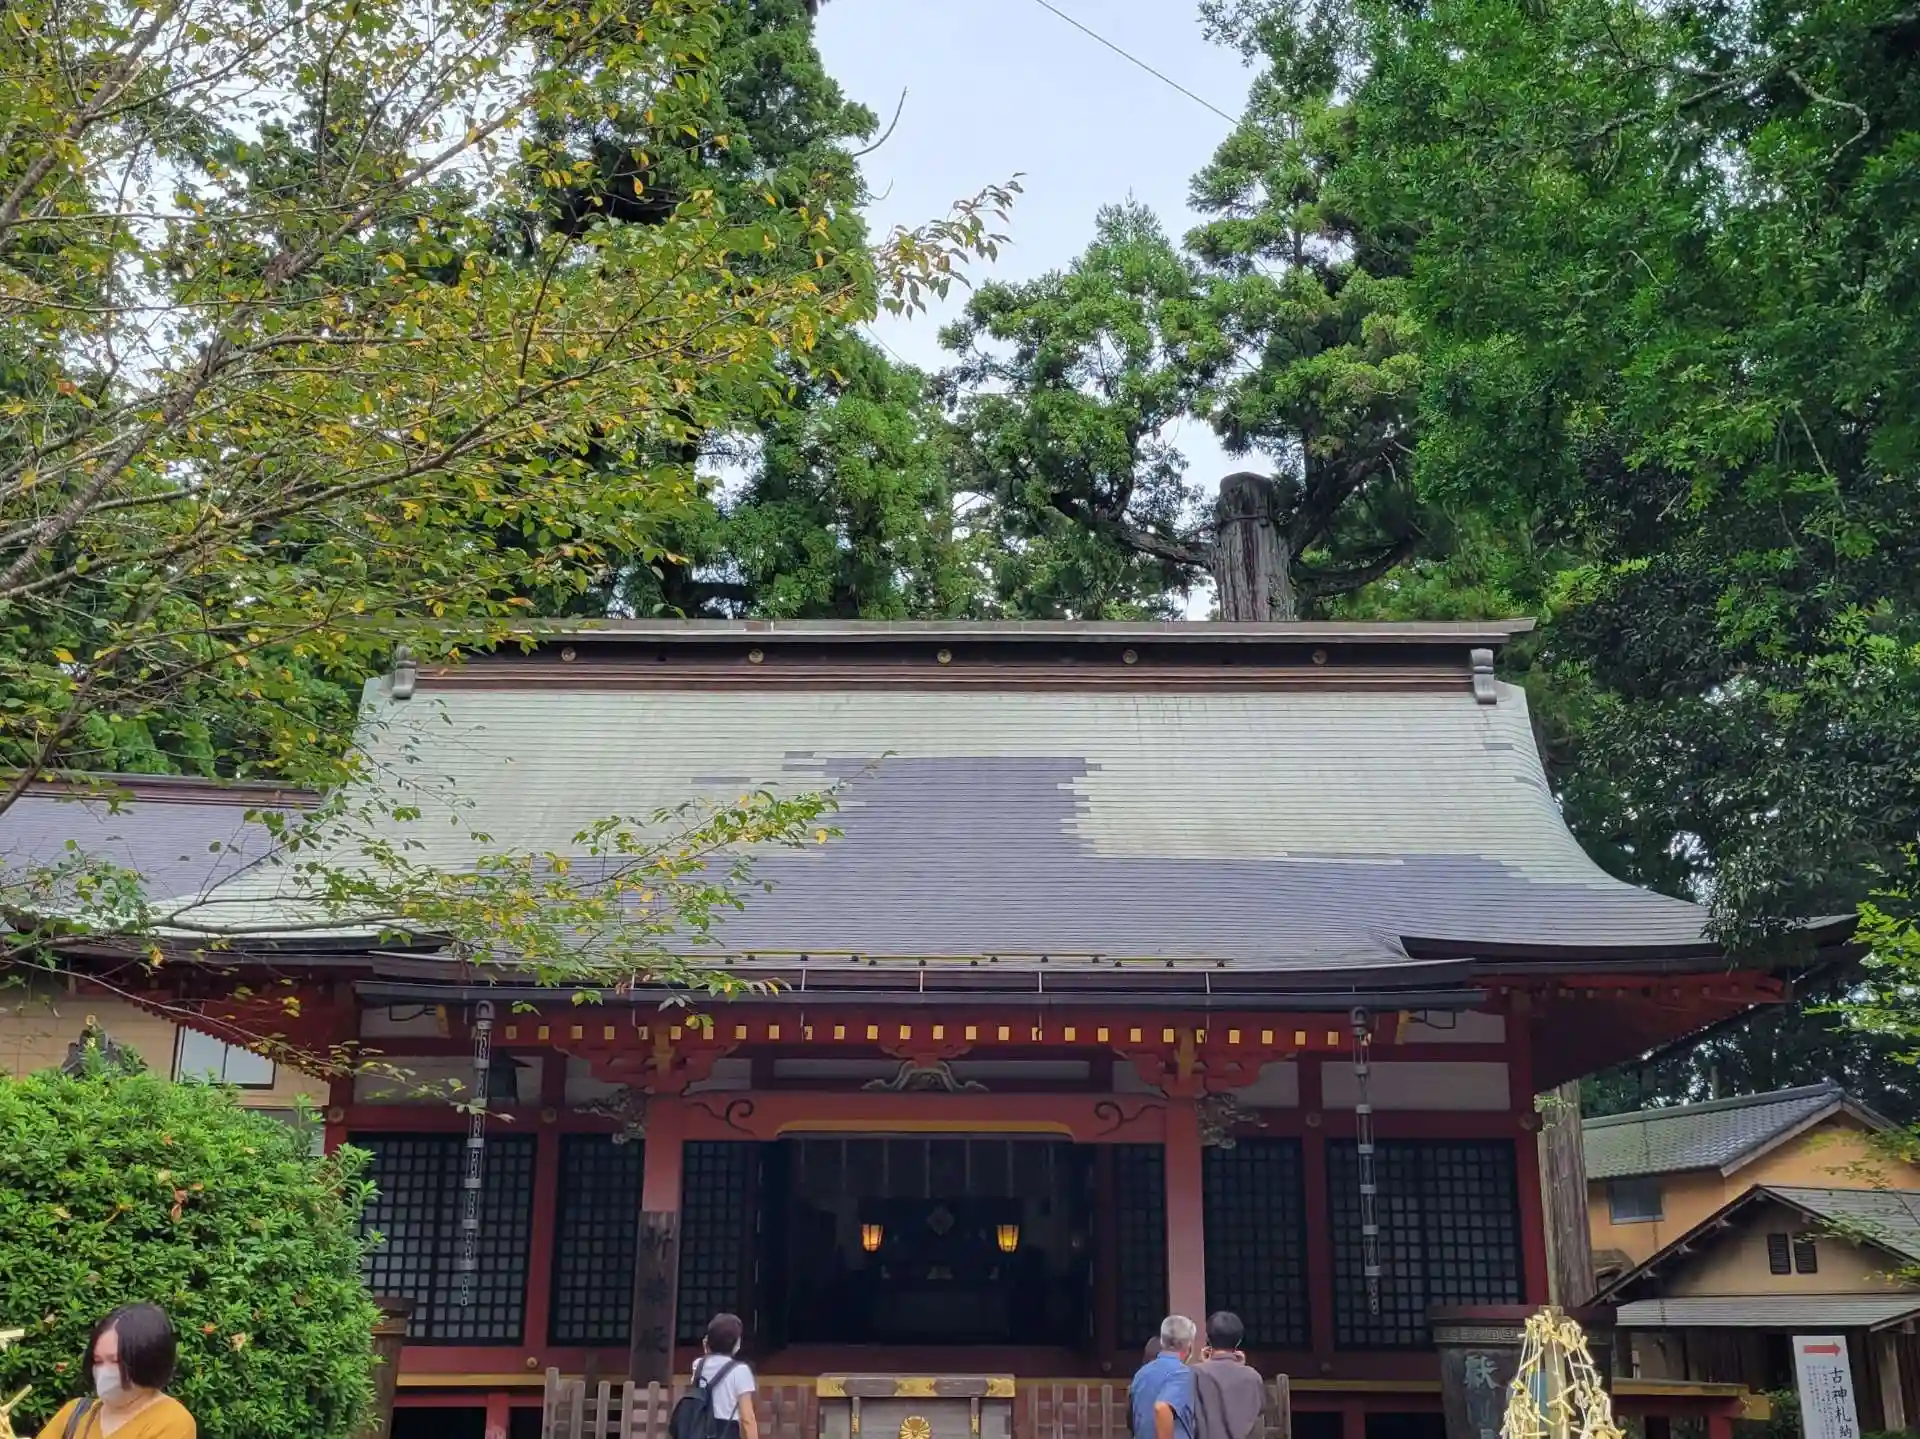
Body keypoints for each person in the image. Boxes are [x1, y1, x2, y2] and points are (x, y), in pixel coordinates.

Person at [37, 1304, 195, 1439]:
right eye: (98, 1361)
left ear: (146, 1360)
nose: (104, 1371)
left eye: (115, 1361)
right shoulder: (75, 1413)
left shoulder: (171, 1421)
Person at [1193, 1312, 1266, 1439]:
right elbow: (1260, 1409)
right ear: (1239, 1341)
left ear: (1208, 1339)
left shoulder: (1195, 1373)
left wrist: (1204, 1364)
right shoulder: (1252, 1376)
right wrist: (1241, 1367)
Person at [690, 1312, 759, 1439]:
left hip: (701, 1429)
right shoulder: (740, 1371)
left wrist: (707, 1348)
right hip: (727, 1430)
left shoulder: (698, 1365)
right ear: (736, 1343)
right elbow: (747, 1418)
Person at [1129, 1315, 1196, 1439]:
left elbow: (1133, 1419)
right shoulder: (1181, 1373)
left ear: (1162, 1342)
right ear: (1189, 1345)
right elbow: (1162, 1407)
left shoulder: (1142, 1373)